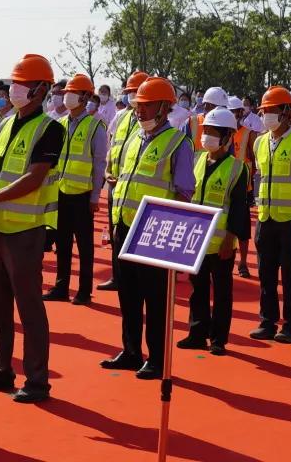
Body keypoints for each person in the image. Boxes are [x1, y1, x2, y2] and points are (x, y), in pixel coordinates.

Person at [0, 54, 62, 403]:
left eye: (21, 84)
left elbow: (35, 177)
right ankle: (0, 369)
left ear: (40, 90)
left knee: (29, 307)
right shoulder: (6, 123)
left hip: (26, 230)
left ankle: (37, 381)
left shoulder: (51, 128)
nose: (13, 89)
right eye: (13, 82)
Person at [102, 77, 194, 379]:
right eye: (137, 105)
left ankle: (156, 358)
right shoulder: (133, 138)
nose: (139, 111)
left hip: (155, 230)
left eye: (146, 105)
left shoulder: (179, 142)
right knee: (127, 295)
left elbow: (184, 191)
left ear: (165, 107)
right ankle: (131, 351)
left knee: (155, 300)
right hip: (124, 225)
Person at [178, 108, 248, 354]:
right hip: (196, 240)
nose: (207, 136)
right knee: (197, 289)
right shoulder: (197, 161)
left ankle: (218, 339)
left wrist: (230, 240)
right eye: (206, 131)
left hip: (221, 243)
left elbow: (238, 209)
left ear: (228, 137)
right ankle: (197, 332)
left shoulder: (238, 169)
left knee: (221, 292)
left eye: (214, 133)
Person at [250, 85, 291, 344]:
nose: (267, 116)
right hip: (266, 217)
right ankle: (267, 321)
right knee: (266, 274)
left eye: (272, 111)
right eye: (264, 111)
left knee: (290, 275)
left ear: (287, 112)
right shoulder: (260, 142)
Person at [44, 73, 106, 306]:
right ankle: (61, 286)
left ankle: (83, 290)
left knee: (85, 245)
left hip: (82, 195)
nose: (67, 96)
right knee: (62, 243)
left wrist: (95, 196)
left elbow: (99, 163)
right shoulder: (59, 124)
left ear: (86, 97)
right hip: (61, 191)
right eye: (66, 92)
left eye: (73, 92)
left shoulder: (95, 126)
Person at [99, 70, 149, 292]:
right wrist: (107, 171)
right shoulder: (120, 117)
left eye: (135, 92)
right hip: (115, 185)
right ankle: (117, 276)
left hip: (134, 188)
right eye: (129, 92)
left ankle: (134, 281)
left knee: (135, 236)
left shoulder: (146, 122)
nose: (132, 96)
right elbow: (112, 146)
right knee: (115, 233)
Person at [227, 95, 257, 278]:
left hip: (242, 186)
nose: (232, 115)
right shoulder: (222, 131)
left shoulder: (248, 133)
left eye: (234, 112)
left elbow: (254, 159)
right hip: (223, 184)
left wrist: (250, 182)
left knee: (243, 228)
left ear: (240, 113)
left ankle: (243, 263)